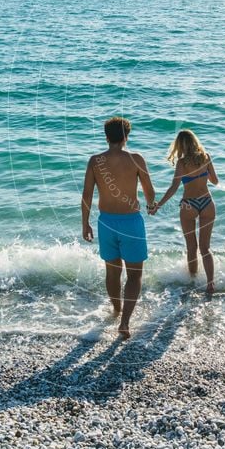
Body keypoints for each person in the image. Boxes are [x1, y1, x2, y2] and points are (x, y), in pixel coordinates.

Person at [81, 115, 156, 339]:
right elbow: (148, 190)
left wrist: (85, 223)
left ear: (106, 137)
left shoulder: (95, 161)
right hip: (131, 222)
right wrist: (151, 205)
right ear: (126, 137)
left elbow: (86, 196)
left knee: (112, 273)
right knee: (134, 275)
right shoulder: (136, 159)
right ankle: (124, 322)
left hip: (106, 222)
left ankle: (116, 310)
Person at [154, 129, 218, 292]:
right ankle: (211, 284)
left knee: (192, 247)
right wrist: (204, 173)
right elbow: (215, 181)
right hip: (207, 202)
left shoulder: (182, 163)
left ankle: (193, 281)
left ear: (180, 145)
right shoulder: (206, 157)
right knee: (205, 248)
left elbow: (174, 188)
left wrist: (158, 205)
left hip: (189, 204)